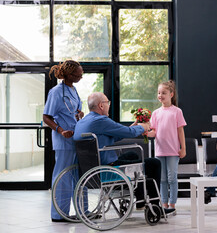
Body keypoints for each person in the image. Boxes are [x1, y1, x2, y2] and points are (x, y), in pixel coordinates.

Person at [73, 92, 175, 215]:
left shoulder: (83, 122)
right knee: (154, 163)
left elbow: (115, 135)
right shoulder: (101, 120)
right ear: (101, 105)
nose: (109, 105)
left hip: (93, 169)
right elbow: (129, 133)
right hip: (108, 170)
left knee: (132, 155)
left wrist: (133, 127)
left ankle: (141, 199)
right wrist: (144, 127)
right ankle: (155, 207)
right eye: (107, 103)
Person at [43, 60, 84, 222]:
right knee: (62, 177)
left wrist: (79, 114)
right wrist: (60, 130)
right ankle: (58, 214)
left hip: (75, 137)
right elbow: (46, 116)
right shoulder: (56, 92)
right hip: (63, 139)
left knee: (75, 176)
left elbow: (72, 110)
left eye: (81, 74)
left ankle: (81, 212)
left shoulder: (74, 89)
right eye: (77, 74)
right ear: (68, 74)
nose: (80, 76)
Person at [147, 80, 187, 211]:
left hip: (173, 151)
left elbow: (180, 131)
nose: (160, 95)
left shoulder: (177, 111)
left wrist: (183, 148)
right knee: (162, 179)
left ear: (171, 94)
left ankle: (172, 204)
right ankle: (164, 205)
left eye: (163, 92)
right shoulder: (155, 113)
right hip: (159, 151)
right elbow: (153, 132)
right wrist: (145, 132)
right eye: (159, 93)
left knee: (172, 178)